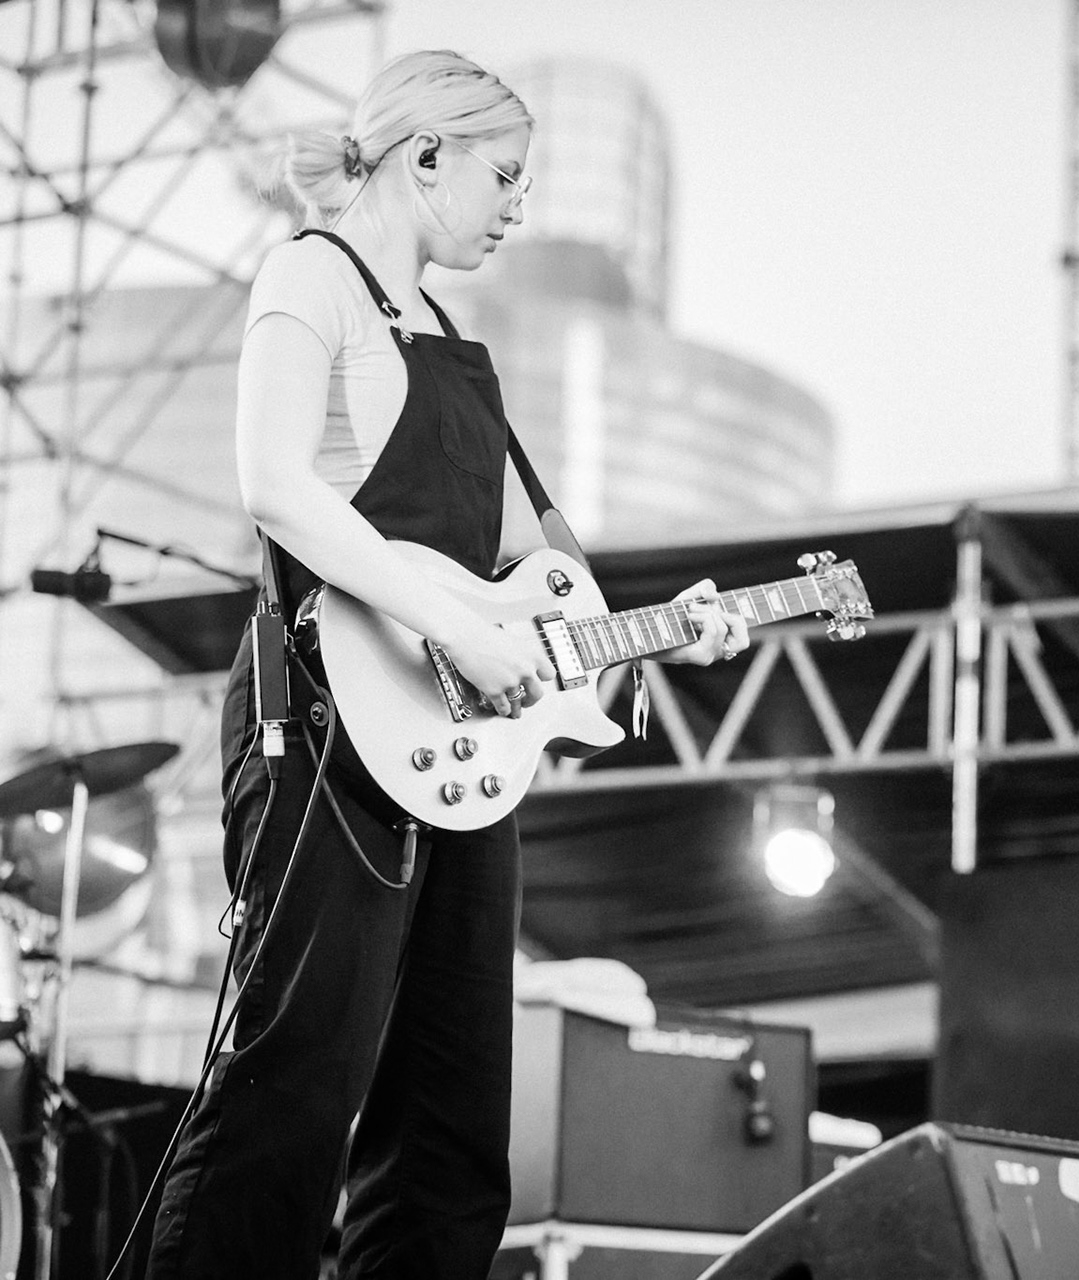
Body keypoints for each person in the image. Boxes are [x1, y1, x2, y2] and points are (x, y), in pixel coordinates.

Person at [144, 51, 749, 1279]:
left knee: (457, 1128)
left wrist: (669, 623)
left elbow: (546, 568)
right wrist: (453, 623)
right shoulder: (309, 275)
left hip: (458, 755)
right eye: (507, 176)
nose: (521, 206)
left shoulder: (453, 341)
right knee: (292, 1087)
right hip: (320, 728)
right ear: (426, 159)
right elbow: (275, 486)